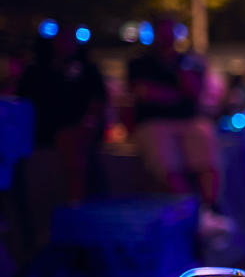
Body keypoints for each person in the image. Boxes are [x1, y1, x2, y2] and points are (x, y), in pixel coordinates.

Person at [127, 20, 230, 234]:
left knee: (205, 144)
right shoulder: (140, 62)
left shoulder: (188, 61)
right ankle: (191, 213)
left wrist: (172, 87)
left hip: (189, 120)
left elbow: (194, 91)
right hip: (153, 122)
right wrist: (175, 95)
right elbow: (144, 92)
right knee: (166, 161)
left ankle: (209, 210)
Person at [17, 27, 107, 202]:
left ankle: (76, 201)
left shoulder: (88, 70)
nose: (66, 44)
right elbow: (25, 101)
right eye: (62, 39)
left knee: (74, 142)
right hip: (46, 129)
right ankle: (76, 202)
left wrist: (89, 122)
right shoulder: (36, 71)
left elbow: (99, 99)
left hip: (80, 129)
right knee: (72, 142)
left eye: (69, 39)